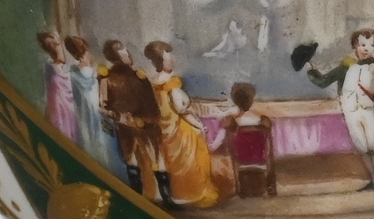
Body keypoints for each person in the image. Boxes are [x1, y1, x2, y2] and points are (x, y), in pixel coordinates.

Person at [303, 28, 374, 192]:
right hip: (351, 112)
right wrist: (311, 70)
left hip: (371, 111)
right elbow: (323, 81)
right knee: (362, 148)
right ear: (355, 45)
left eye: (371, 45)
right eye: (363, 45)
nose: (366, 49)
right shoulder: (345, 67)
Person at [143, 42, 224, 207]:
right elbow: (181, 109)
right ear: (161, 61)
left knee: (169, 161)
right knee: (196, 145)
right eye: (168, 57)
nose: (172, 59)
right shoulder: (171, 83)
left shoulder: (153, 83)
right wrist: (198, 124)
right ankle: (193, 193)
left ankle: (176, 194)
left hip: (165, 128)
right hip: (178, 128)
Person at [97, 37, 163, 200]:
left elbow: (152, 105)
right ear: (115, 57)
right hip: (124, 129)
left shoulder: (140, 78)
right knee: (131, 161)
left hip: (146, 126)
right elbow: (102, 107)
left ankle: (164, 199)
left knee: (156, 161)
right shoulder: (106, 79)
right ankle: (137, 198)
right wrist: (120, 117)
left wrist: (151, 121)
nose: (128, 54)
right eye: (123, 52)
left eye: (126, 51)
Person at [62, 34, 116, 176]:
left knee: (88, 135)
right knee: (100, 138)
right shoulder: (87, 72)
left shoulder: (73, 70)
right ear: (83, 51)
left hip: (83, 111)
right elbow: (93, 96)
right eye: (86, 50)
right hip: (93, 109)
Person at [225, 81, 273, 196]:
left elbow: (230, 149)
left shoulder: (232, 122)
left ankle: (240, 188)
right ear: (252, 99)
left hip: (242, 162)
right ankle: (268, 186)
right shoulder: (263, 120)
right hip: (260, 161)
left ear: (235, 101)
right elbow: (269, 149)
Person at [37, 32, 81, 146]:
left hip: (67, 98)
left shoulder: (67, 57)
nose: (52, 45)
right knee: (60, 123)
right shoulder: (50, 66)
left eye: (52, 42)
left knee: (70, 124)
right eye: (48, 44)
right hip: (57, 99)